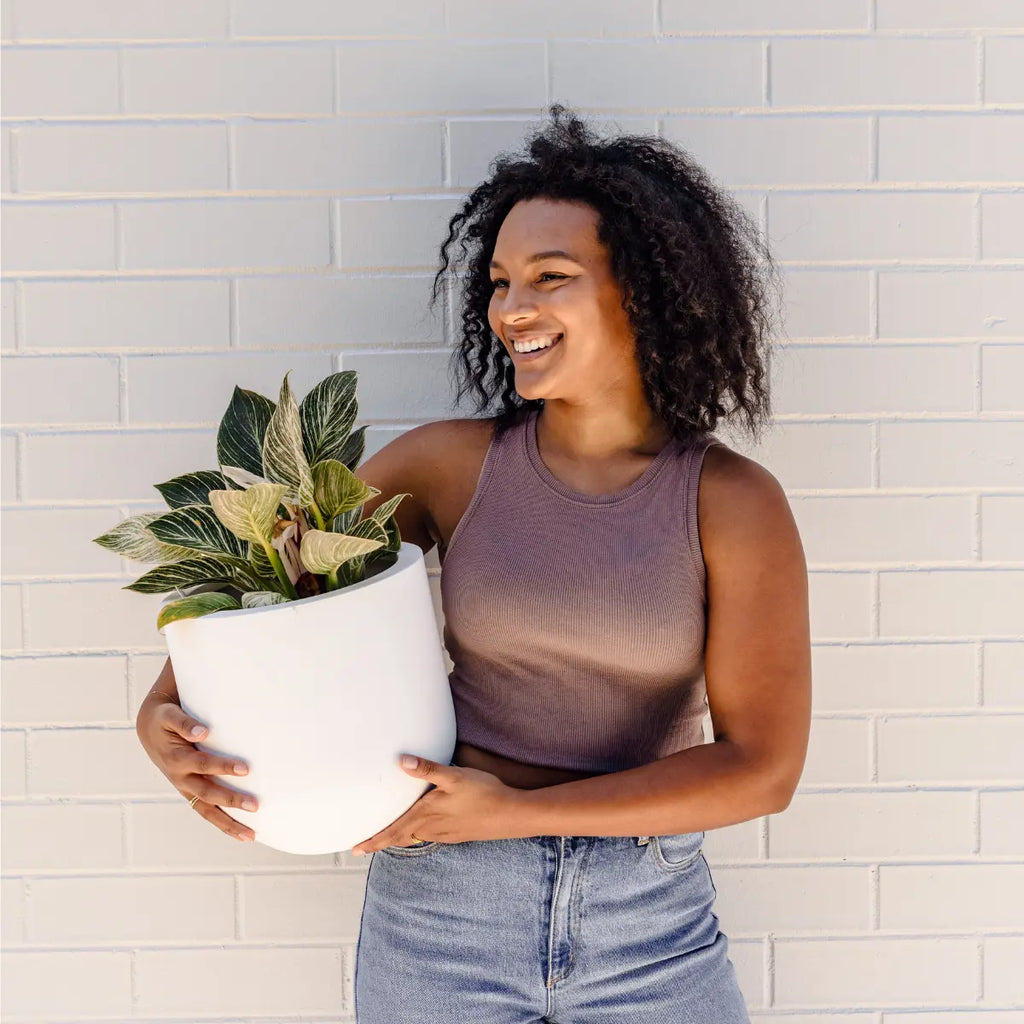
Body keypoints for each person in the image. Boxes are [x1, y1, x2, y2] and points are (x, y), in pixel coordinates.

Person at [136, 104, 811, 1022]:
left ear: (643, 293)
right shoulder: (447, 468)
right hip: (444, 911)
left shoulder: (733, 503)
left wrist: (514, 813)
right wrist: (161, 715)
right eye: (498, 282)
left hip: (650, 919)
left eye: (550, 277)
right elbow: (265, 594)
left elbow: (762, 770)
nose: (512, 310)